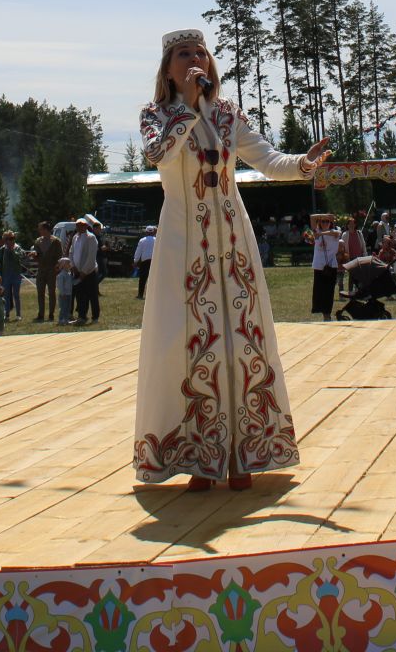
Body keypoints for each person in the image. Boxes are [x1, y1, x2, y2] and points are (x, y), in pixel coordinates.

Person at [133, 27, 328, 490]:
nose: (195, 58)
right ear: (168, 68)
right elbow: (158, 153)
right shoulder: (155, 115)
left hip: (233, 245)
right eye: (184, 53)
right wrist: (187, 107)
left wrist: (304, 163)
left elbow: (268, 160)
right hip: (183, 245)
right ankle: (196, 455)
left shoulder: (226, 115)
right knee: (184, 344)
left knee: (242, 343)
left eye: (201, 52)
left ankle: (244, 454)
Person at [306, 214, 342, 321]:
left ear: (330, 223)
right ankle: (323, 313)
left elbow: (334, 233)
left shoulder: (336, 231)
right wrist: (324, 216)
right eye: (323, 222)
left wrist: (320, 233)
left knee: (329, 291)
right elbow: (312, 217)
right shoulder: (316, 230)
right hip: (319, 266)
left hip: (331, 266)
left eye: (327, 221)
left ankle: (327, 314)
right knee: (319, 291)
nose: (325, 223)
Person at [69, 216, 101, 325]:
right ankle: (82, 316)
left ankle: (95, 316)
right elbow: (71, 252)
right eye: (78, 225)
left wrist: (84, 271)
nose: (79, 227)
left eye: (82, 225)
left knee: (92, 295)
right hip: (77, 271)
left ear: (86, 226)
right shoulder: (75, 237)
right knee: (80, 295)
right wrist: (72, 265)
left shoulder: (91, 238)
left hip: (89, 271)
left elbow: (91, 257)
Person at [33, 221, 61, 322]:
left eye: (40, 228)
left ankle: (51, 314)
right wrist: (34, 255)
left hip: (51, 270)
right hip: (41, 270)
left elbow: (59, 256)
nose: (39, 231)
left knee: (51, 292)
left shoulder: (56, 241)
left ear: (45, 229)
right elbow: (37, 256)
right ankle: (41, 314)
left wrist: (57, 268)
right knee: (40, 292)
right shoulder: (37, 241)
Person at [133, 225, 156, 300]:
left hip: (144, 261)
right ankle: (152, 296)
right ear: (153, 232)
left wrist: (135, 261)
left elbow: (138, 251)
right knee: (153, 279)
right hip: (154, 261)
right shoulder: (157, 240)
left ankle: (140, 294)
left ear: (146, 232)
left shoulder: (142, 240)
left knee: (142, 278)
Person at [55, 255, 75, 327]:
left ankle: (66, 319)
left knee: (68, 307)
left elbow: (72, 282)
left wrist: (79, 280)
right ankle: (61, 320)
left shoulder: (69, 274)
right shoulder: (61, 275)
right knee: (63, 307)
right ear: (63, 265)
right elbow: (60, 285)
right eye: (68, 263)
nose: (70, 265)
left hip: (69, 294)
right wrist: (62, 292)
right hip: (63, 294)